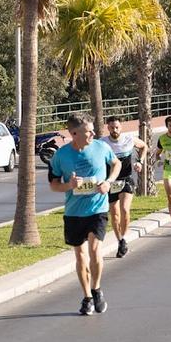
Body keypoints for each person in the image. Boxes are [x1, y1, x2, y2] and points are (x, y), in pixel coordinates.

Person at [49, 115, 120, 316]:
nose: (93, 134)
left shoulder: (101, 147)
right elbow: (53, 185)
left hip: (97, 209)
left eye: (92, 130)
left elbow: (116, 164)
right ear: (74, 134)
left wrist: (108, 182)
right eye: (88, 131)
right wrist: (68, 186)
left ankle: (97, 289)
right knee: (80, 255)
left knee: (95, 248)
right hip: (73, 212)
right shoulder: (61, 156)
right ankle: (87, 296)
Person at [100, 116, 147, 259]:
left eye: (117, 127)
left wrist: (140, 161)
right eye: (112, 127)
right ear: (108, 128)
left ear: (121, 127)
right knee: (114, 214)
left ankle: (124, 237)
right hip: (111, 181)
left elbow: (144, 146)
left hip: (126, 179)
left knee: (125, 209)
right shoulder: (102, 143)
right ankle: (120, 240)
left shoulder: (129, 139)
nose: (115, 130)